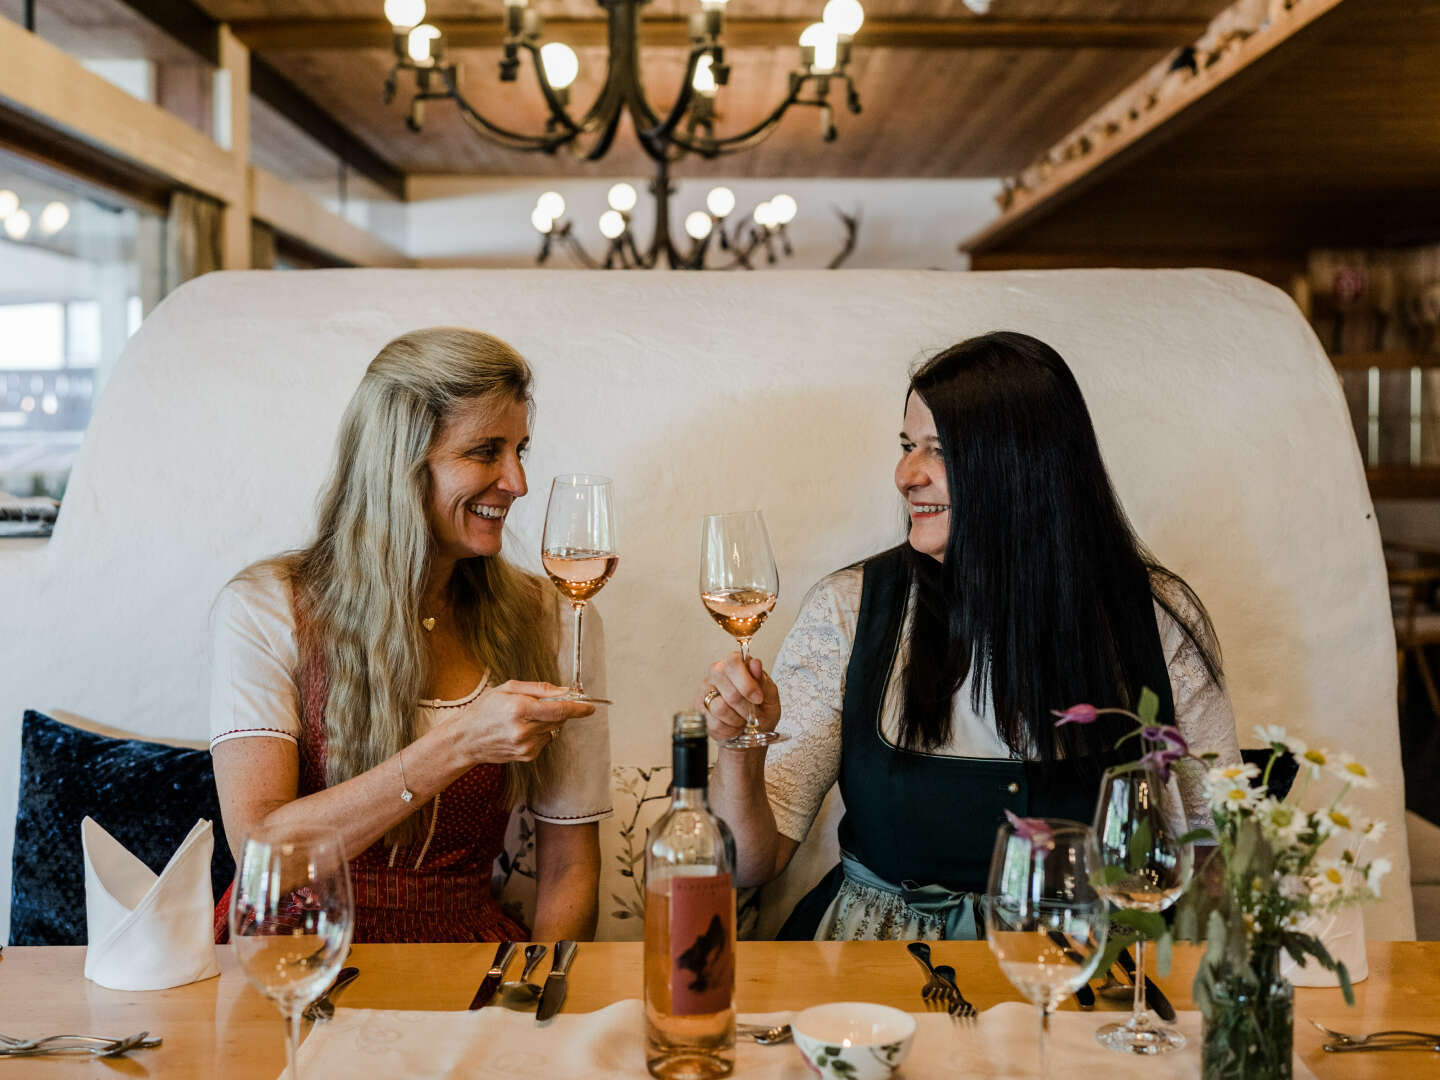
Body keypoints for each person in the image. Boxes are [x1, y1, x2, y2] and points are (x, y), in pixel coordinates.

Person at [696, 331, 1241, 941]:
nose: (906, 475)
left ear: (1023, 464)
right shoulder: (849, 611)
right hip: (877, 974)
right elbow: (750, 864)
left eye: (940, 450)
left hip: (1083, 976)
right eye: (907, 446)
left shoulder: (1156, 619)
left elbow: (1214, 848)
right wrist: (738, 746)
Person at [210, 327, 610, 943]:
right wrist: (461, 743)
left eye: (520, 451)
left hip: (466, 957)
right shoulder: (266, 607)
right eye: (485, 452)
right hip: (291, 958)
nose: (518, 483)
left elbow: (569, 867)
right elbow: (264, 856)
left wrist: (541, 1004)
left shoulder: (552, 616)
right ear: (398, 463)